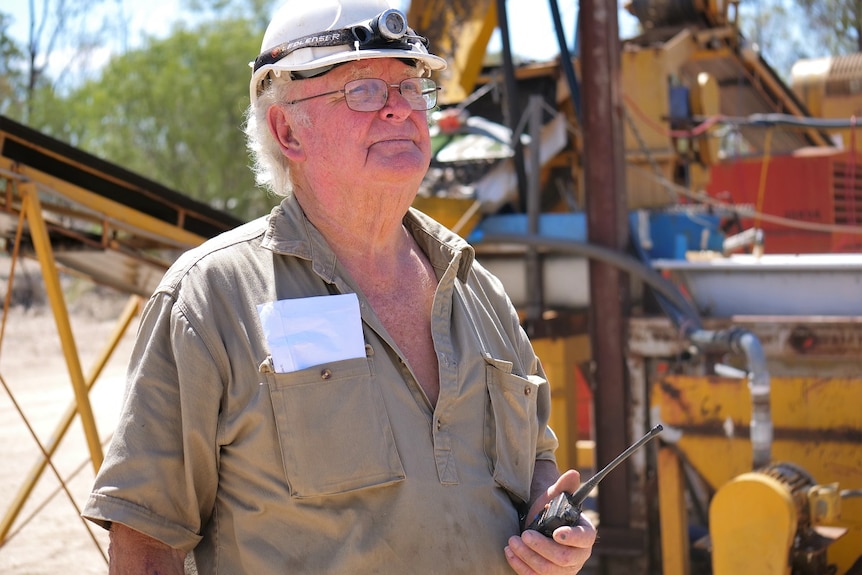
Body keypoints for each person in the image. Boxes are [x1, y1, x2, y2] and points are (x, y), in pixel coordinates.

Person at [82, 0, 597, 573]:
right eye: (363, 91)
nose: (399, 110)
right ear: (286, 129)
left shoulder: (479, 293)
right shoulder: (211, 299)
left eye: (409, 88)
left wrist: (552, 529)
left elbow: (536, 467)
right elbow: (145, 540)